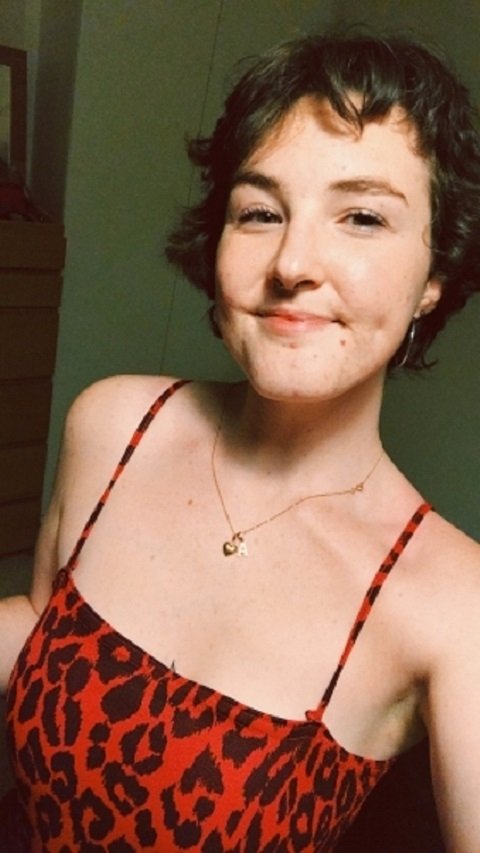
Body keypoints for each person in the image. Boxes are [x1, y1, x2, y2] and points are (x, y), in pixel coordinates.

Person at [1, 30, 480, 852]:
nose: (292, 262)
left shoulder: (452, 600)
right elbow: (45, 628)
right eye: (260, 212)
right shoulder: (115, 426)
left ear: (435, 274)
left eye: (362, 217)